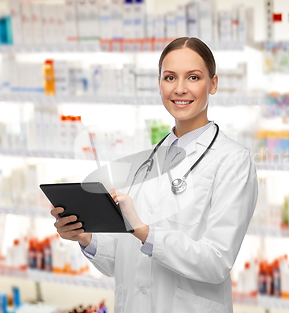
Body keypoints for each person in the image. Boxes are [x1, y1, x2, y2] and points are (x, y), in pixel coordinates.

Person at [51, 37, 258, 313]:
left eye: (193, 77)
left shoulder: (232, 160)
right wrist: (85, 237)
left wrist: (146, 232)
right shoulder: (145, 160)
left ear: (213, 83)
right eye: (170, 77)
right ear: (159, 84)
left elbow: (217, 261)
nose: (180, 89)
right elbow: (124, 261)